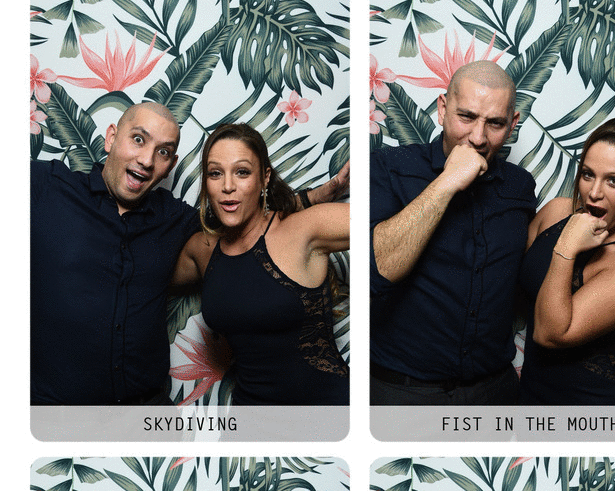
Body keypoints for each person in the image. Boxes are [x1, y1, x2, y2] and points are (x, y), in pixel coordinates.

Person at [31, 102, 348, 405]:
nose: (146, 159)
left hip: (147, 415)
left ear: (170, 164)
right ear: (111, 138)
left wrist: (318, 195)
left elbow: (248, 218)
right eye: (138, 139)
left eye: (163, 152)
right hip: (57, 413)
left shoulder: (175, 219)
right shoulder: (46, 188)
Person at [370, 61, 536, 405]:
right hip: (404, 393)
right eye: (466, 117)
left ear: (513, 123)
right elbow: (379, 270)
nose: (478, 137)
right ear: (442, 108)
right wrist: (447, 181)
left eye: (495, 123)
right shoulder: (390, 168)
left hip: (494, 391)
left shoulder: (520, 186)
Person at [171, 124, 349, 405]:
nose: (228, 186)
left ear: (265, 178)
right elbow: (148, 278)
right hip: (250, 416)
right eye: (215, 173)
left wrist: (314, 197)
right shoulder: (202, 249)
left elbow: (391, 223)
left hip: (327, 415)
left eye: (242, 172)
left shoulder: (304, 228)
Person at [519, 118, 615, 404]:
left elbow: (549, 334)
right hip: (530, 397)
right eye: (588, 174)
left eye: (614, 181)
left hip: (595, 407)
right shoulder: (556, 212)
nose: (594, 192)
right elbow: (506, 278)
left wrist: (566, 246)